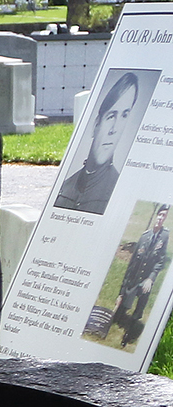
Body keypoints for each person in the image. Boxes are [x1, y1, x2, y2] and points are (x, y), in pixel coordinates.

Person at [55, 69, 145, 215]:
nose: (114, 129)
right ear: (96, 125)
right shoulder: (67, 185)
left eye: (124, 115)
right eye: (111, 116)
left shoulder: (118, 190)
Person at [110, 204, 169, 346]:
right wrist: (122, 291)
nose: (161, 218)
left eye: (164, 216)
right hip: (135, 277)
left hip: (146, 279)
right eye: (160, 215)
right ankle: (117, 316)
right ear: (156, 215)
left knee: (141, 303)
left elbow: (160, 260)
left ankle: (129, 333)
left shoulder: (164, 236)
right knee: (124, 305)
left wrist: (151, 278)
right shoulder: (145, 236)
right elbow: (132, 264)